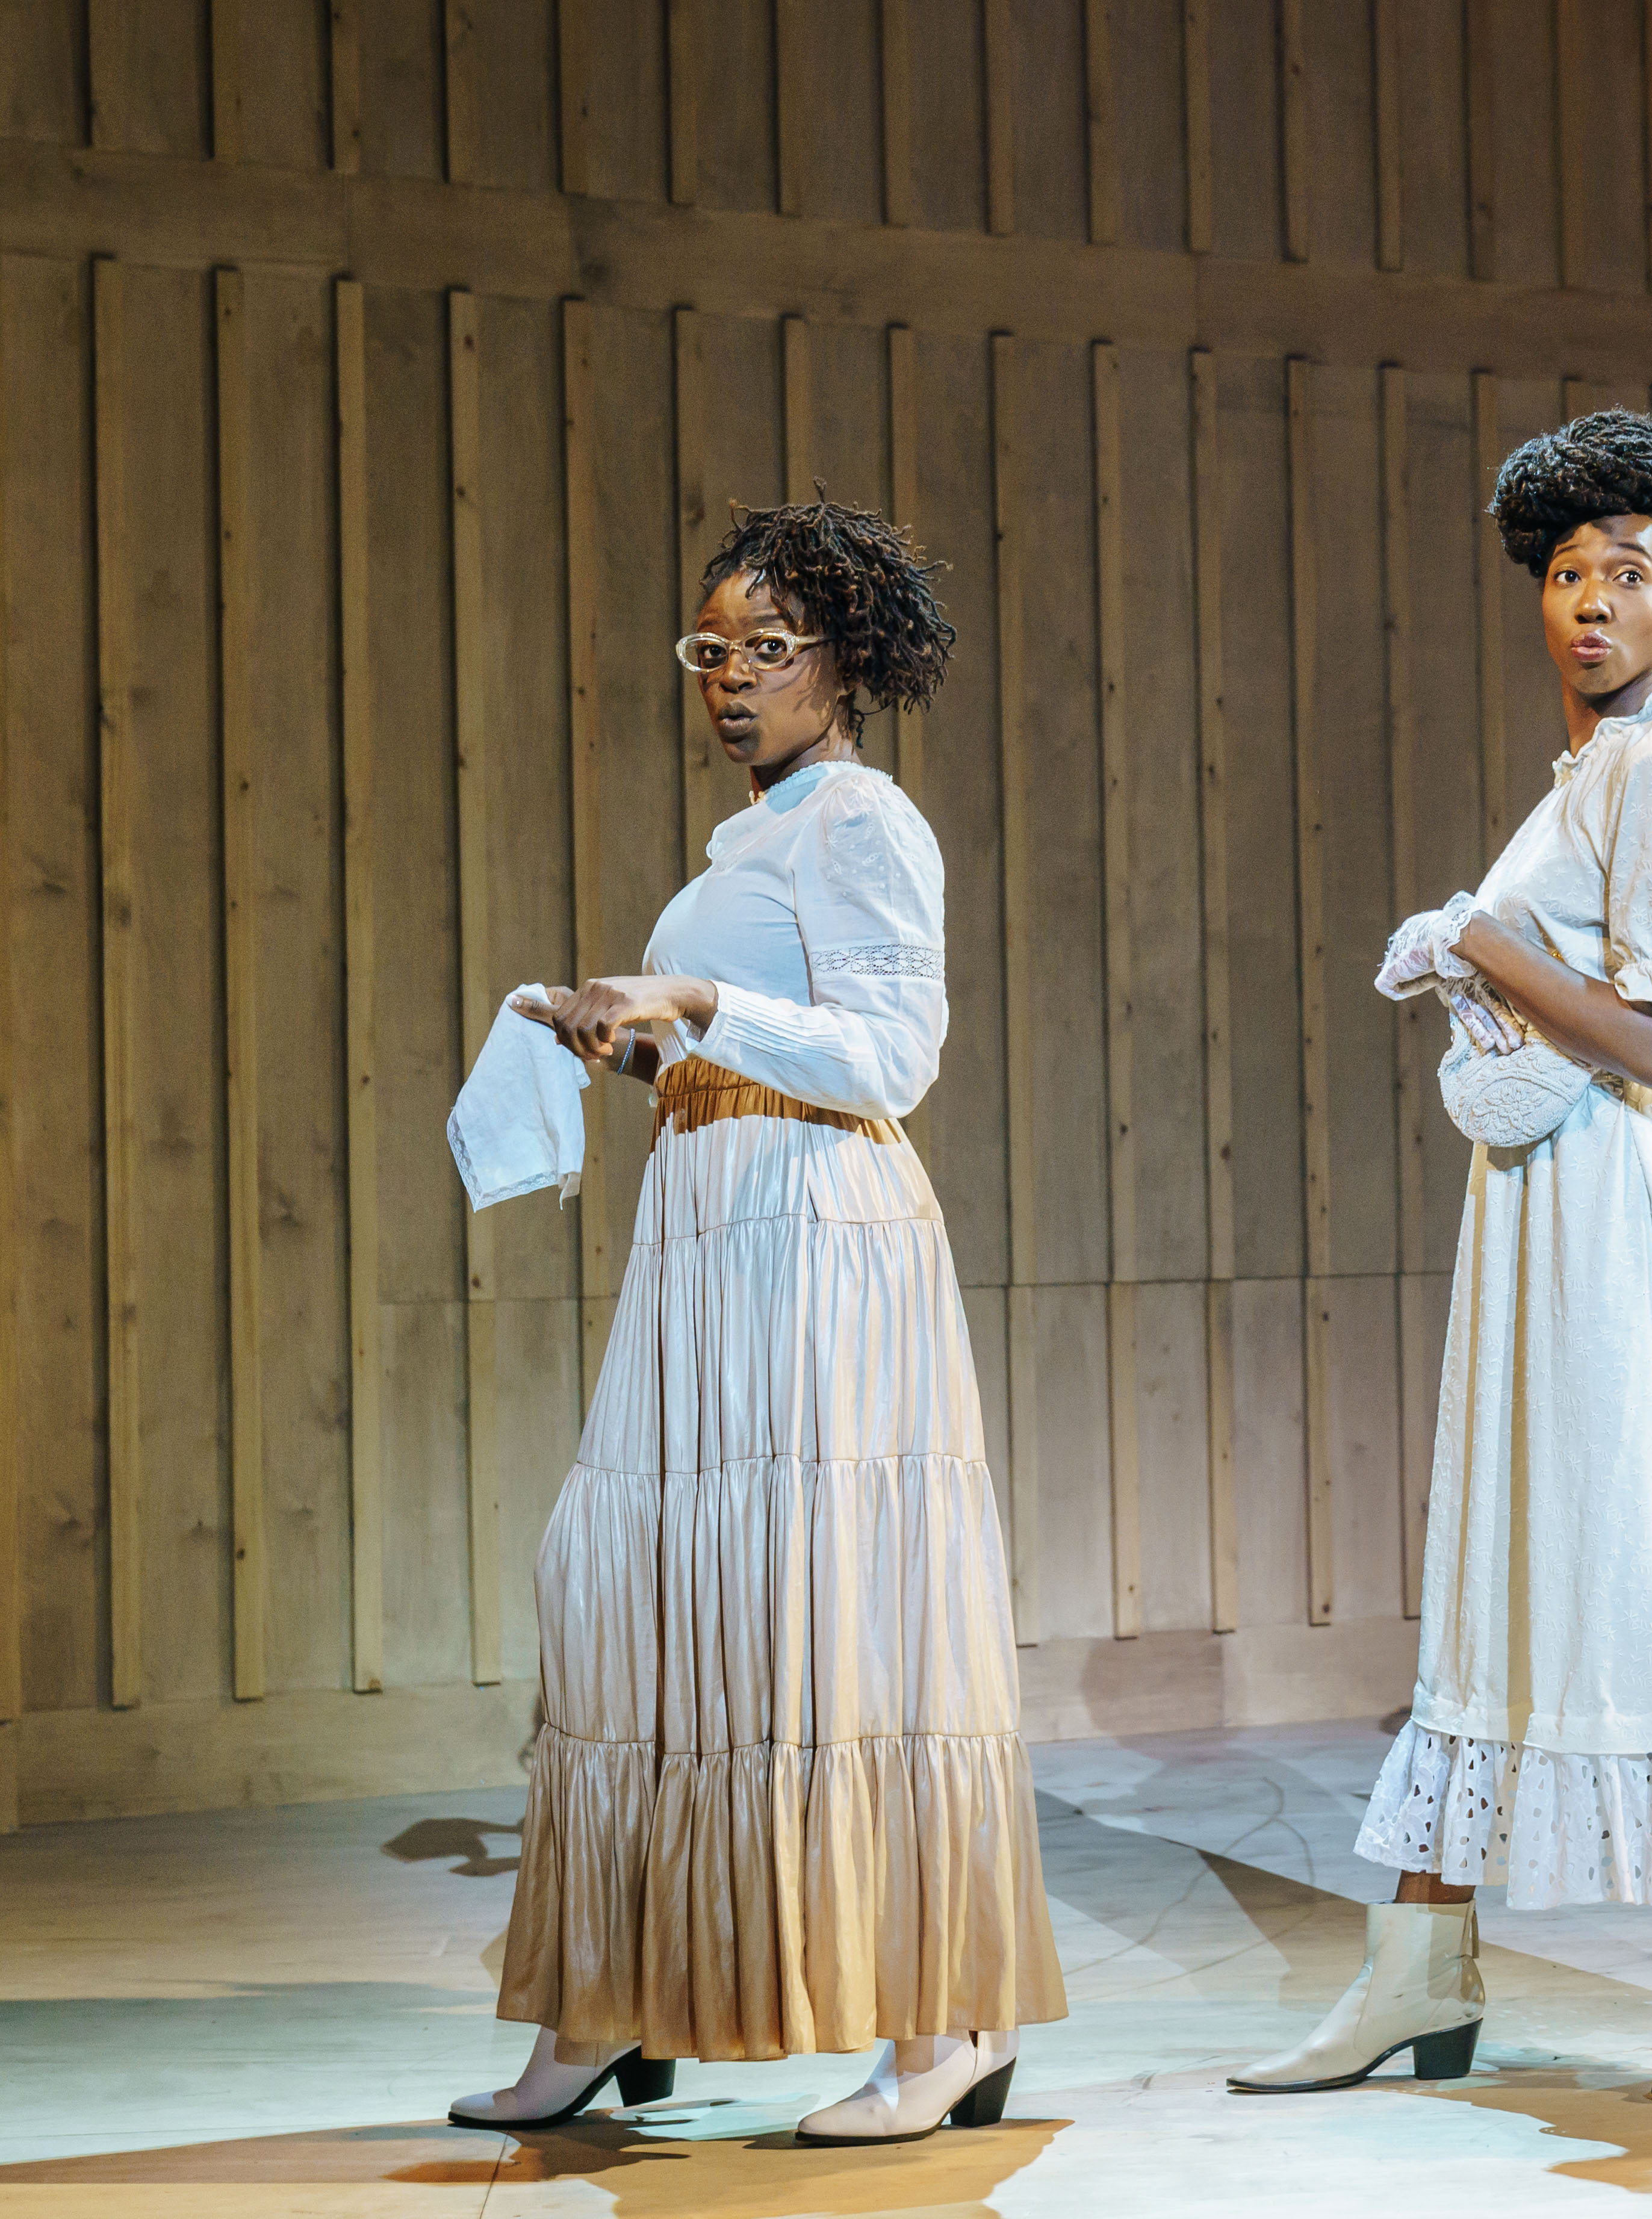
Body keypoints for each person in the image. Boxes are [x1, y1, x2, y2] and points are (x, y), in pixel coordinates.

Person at [1231, 412, 1652, 2103]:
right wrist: (1490, 946)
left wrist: (1481, 946)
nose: (1593, 597)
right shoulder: (1591, 769)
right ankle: (1418, 1962)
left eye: (1631, 573)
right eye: (1570, 570)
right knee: (1509, 1563)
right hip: (1557, 1204)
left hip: (1638, 1209)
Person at [452, 498, 1064, 2144]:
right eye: (708, 648)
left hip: (817, 1240)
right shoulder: (753, 836)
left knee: (831, 1616)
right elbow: (769, 1041)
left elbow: (890, 1056)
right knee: (640, 1597)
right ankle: (606, 2000)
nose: (728, 677)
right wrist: (635, 1043)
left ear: (842, 663)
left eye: (766, 650)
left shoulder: (859, 818)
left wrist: (697, 999)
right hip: (714, 1227)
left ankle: (946, 2020)